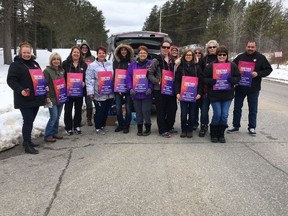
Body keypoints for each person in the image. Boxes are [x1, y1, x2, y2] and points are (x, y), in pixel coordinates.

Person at [7, 42, 45, 154]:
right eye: (24, 52)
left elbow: (40, 78)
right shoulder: (16, 65)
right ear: (20, 52)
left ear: (31, 52)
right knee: (28, 120)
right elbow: (11, 80)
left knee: (30, 120)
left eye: (28, 52)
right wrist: (20, 90)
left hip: (36, 98)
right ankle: (27, 144)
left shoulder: (35, 64)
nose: (26, 54)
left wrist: (45, 86)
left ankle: (27, 141)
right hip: (24, 98)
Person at [227, 40, 273, 135]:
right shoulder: (240, 57)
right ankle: (235, 126)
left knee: (253, 109)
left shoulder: (261, 58)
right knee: (237, 107)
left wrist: (258, 74)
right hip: (240, 87)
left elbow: (269, 69)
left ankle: (252, 127)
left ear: (255, 47)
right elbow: (232, 67)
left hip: (253, 88)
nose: (250, 49)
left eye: (252, 47)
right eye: (249, 46)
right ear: (246, 47)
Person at [203, 46, 241, 143]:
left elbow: (238, 77)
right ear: (217, 55)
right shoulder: (211, 66)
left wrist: (233, 80)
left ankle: (221, 133)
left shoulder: (232, 65)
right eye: (220, 54)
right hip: (215, 95)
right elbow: (204, 78)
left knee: (224, 115)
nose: (222, 56)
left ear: (227, 56)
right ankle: (213, 133)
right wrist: (211, 81)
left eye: (224, 54)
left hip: (227, 95)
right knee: (218, 114)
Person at [148, 40, 177, 138]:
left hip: (170, 89)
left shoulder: (172, 60)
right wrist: (157, 81)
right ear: (161, 48)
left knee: (172, 108)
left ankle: (169, 126)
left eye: (168, 47)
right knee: (161, 110)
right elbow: (149, 73)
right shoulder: (156, 60)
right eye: (164, 47)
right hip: (159, 89)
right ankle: (162, 130)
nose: (166, 49)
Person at [174, 49, 203, 138]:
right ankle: (184, 129)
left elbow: (200, 82)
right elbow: (177, 81)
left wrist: (199, 93)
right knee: (183, 113)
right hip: (183, 95)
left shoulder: (197, 67)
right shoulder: (180, 67)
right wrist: (177, 93)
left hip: (193, 95)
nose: (188, 56)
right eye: (187, 55)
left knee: (192, 113)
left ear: (193, 56)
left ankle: (189, 130)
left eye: (190, 55)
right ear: (184, 56)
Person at [86, 46, 114, 135]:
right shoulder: (92, 66)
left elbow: (114, 77)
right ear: (97, 54)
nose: (101, 55)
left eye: (103, 53)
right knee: (100, 111)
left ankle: (103, 125)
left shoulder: (110, 64)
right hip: (98, 94)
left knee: (106, 110)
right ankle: (98, 127)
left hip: (109, 93)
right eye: (100, 53)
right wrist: (90, 92)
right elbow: (89, 80)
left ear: (106, 54)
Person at [126, 45, 153, 136]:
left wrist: (150, 87)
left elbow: (153, 77)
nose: (142, 54)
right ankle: (140, 128)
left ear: (147, 54)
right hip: (136, 94)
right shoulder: (133, 65)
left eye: (144, 53)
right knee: (138, 112)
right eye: (141, 53)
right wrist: (130, 88)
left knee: (146, 111)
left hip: (147, 93)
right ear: (138, 54)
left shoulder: (151, 64)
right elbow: (128, 78)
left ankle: (148, 128)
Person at [62, 46, 87, 135]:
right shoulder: (65, 63)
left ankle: (77, 126)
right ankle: (68, 127)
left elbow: (86, 77)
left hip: (79, 92)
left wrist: (84, 83)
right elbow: (61, 76)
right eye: (74, 52)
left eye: (78, 52)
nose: (76, 54)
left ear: (80, 54)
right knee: (68, 110)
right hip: (68, 92)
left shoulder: (83, 64)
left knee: (78, 109)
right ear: (71, 53)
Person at [197, 40, 219, 137]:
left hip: (218, 90)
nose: (212, 49)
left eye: (214, 47)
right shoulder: (203, 60)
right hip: (206, 90)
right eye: (210, 47)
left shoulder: (221, 59)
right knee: (204, 110)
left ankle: (215, 126)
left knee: (218, 111)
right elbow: (200, 75)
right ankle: (203, 126)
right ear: (207, 49)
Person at [43, 53, 65, 142]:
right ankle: (48, 135)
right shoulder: (47, 71)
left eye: (58, 59)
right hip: (51, 98)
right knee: (53, 116)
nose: (56, 61)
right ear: (51, 61)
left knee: (58, 116)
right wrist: (46, 97)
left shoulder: (62, 70)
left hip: (60, 97)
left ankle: (55, 132)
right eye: (54, 59)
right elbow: (44, 85)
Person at [113, 43, 134, 133]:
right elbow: (114, 76)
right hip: (118, 89)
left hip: (129, 89)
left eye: (125, 50)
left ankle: (126, 125)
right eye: (122, 50)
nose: (123, 51)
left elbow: (134, 76)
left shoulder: (132, 62)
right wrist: (118, 88)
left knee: (129, 108)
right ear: (119, 52)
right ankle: (120, 124)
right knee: (118, 108)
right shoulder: (115, 62)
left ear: (128, 51)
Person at [80, 41, 96, 126]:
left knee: (89, 102)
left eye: (86, 48)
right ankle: (78, 119)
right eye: (83, 48)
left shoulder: (92, 58)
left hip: (89, 83)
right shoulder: (78, 57)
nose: (84, 49)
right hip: (79, 83)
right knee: (78, 103)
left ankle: (89, 119)